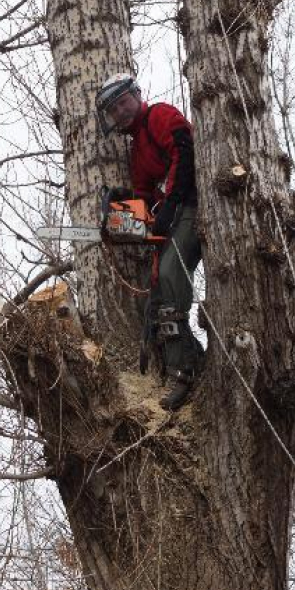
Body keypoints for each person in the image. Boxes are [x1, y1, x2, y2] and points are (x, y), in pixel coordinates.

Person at [95, 72, 203, 411]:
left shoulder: (159, 115)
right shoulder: (137, 151)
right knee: (157, 292)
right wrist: (125, 206)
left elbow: (184, 152)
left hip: (193, 203)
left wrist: (169, 205)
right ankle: (189, 360)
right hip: (175, 211)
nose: (121, 113)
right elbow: (144, 192)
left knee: (172, 275)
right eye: (114, 110)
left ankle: (186, 371)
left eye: (124, 103)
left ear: (136, 96)